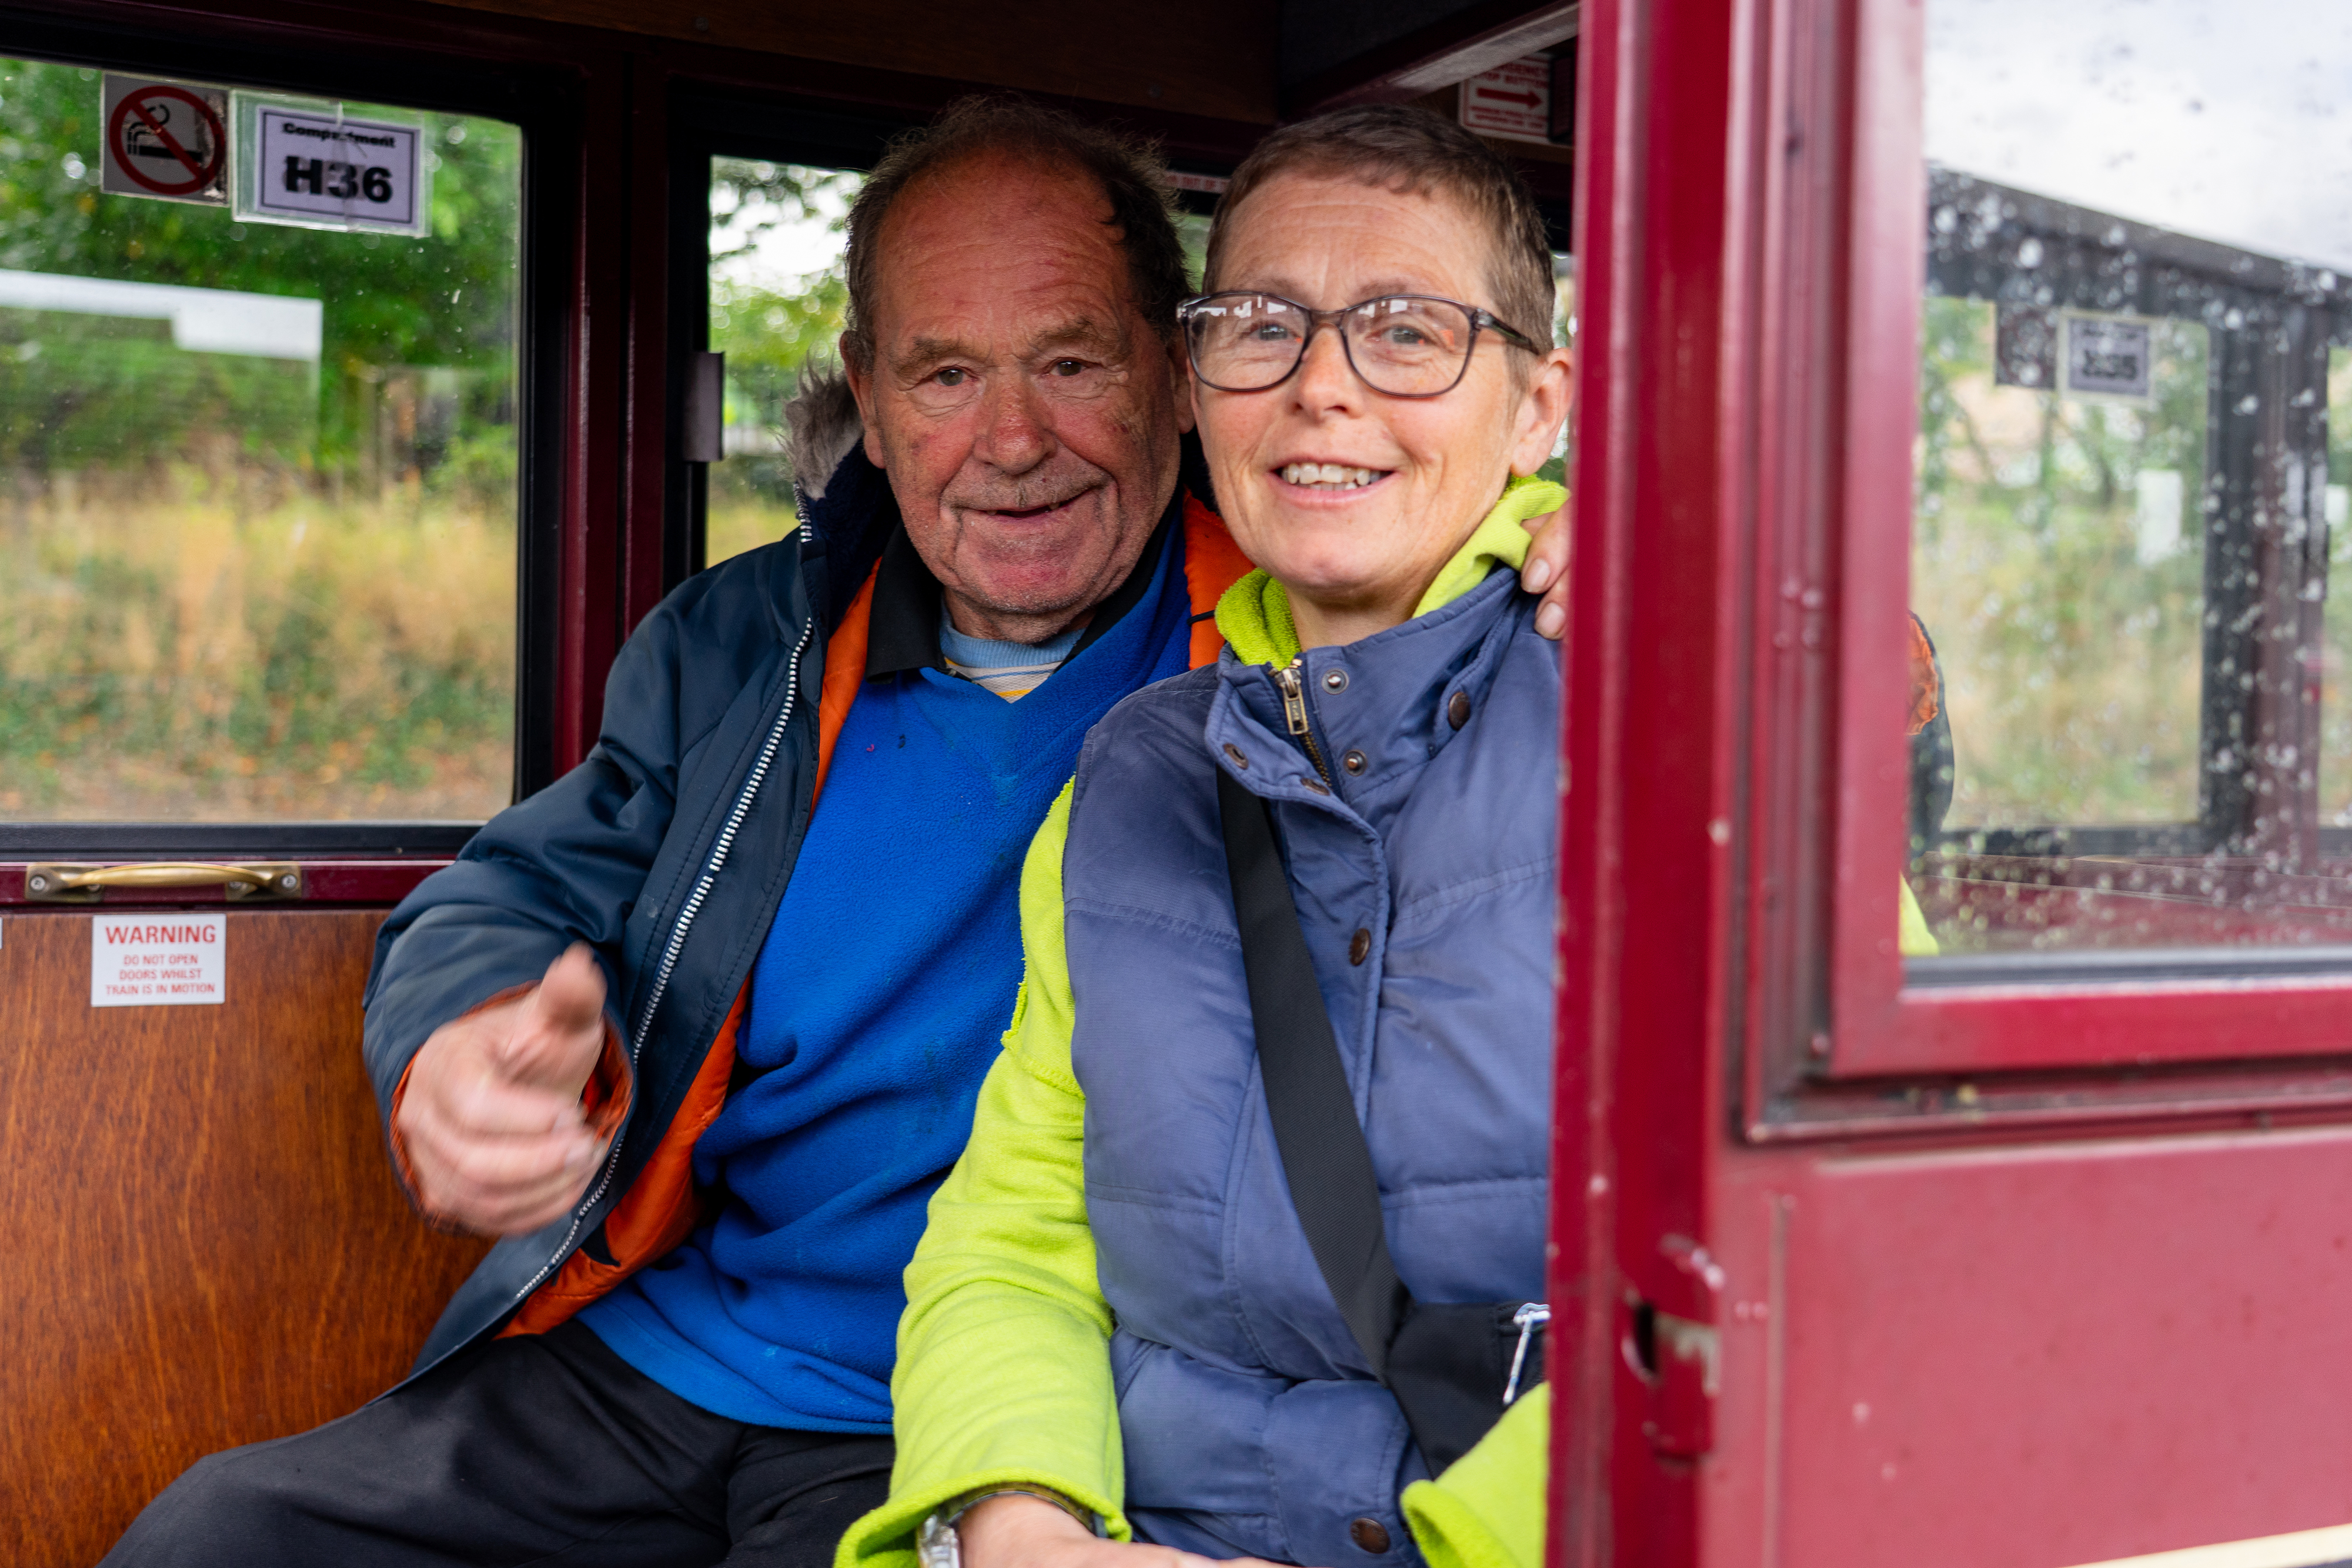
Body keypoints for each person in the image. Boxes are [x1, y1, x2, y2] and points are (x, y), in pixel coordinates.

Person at [103, 98, 1574, 1568]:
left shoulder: (1266, 654)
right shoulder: (749, 644)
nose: (1011, 440)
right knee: (219, 1537)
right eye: (945, 374)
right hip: (677, 1346)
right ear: (869, 397)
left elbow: (1432, 561)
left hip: (1009, 1410)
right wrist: (461, 1039)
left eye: (1071, 363)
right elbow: (522, 882)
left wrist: (1602, 519)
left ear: (1169, 378)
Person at [843, 105, 1572, 1568]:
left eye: (1407, 332)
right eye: (1261, 328)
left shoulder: (1681, 728)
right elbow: (1012, 1238)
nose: (1320, 388)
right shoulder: (1131, 778)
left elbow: (1830, 1267)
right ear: (1196, 384)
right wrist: (1020, 1528)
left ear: (1534, 409)